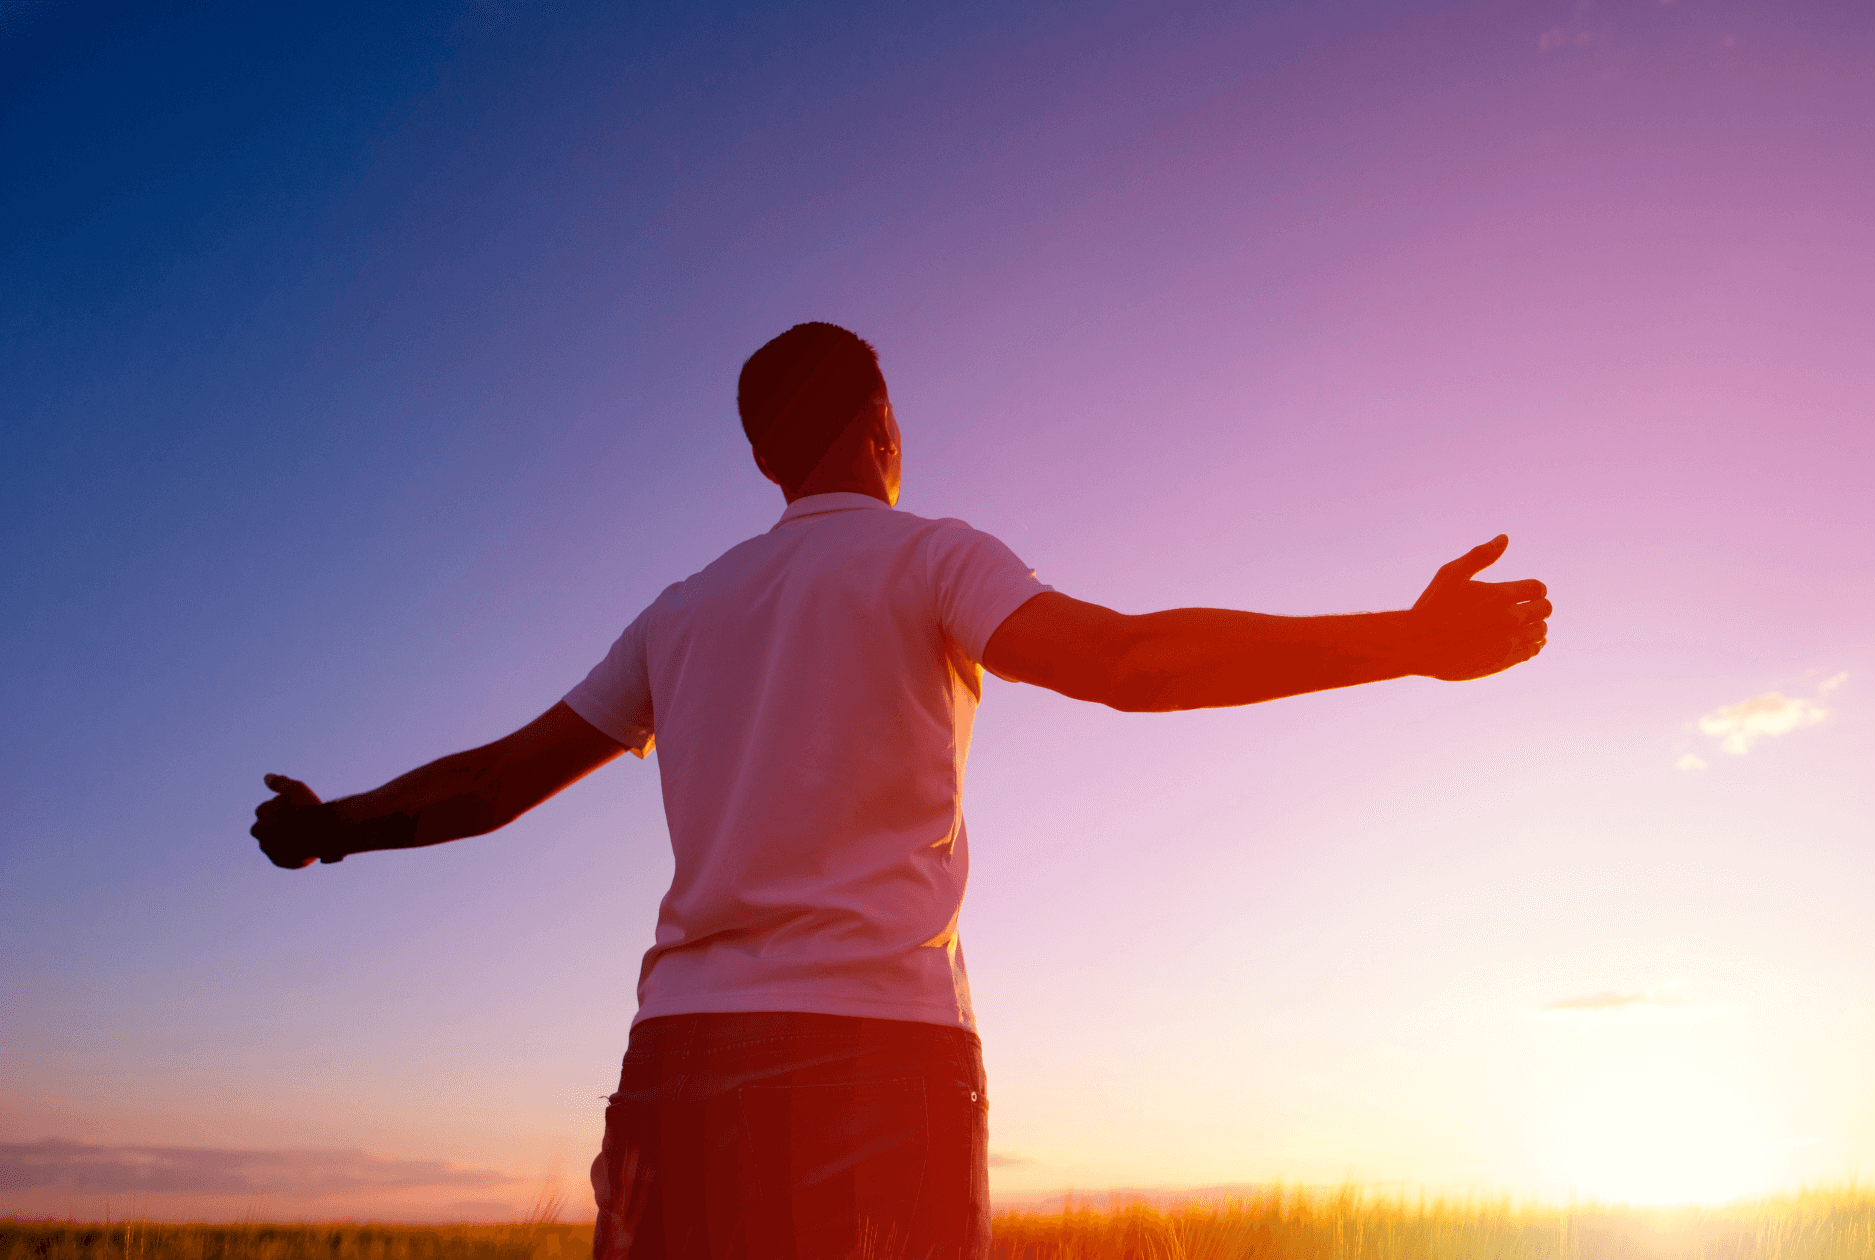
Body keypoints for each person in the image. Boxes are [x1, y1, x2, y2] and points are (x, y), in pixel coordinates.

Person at [250, 321, 1551, 1260]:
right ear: (883, 417)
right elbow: (1133, 664)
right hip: (881, 1061)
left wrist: (332, 831)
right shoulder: (934, 562)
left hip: (685, 1062)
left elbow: (497, 782)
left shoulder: (681, 615)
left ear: (765, 458)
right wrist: (1404, 640)